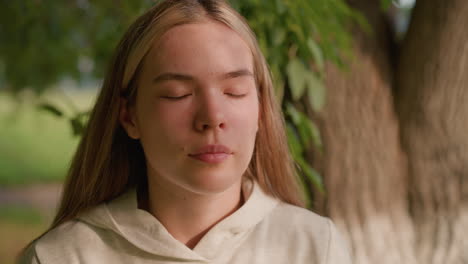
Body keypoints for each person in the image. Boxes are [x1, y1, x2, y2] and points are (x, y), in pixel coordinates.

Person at [19, 0, 352, 263]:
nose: (212, 117)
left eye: (234, 91)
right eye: (177, 94)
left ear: (262, 111)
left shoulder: (314, 247)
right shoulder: (62, 257)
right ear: (129, 117)